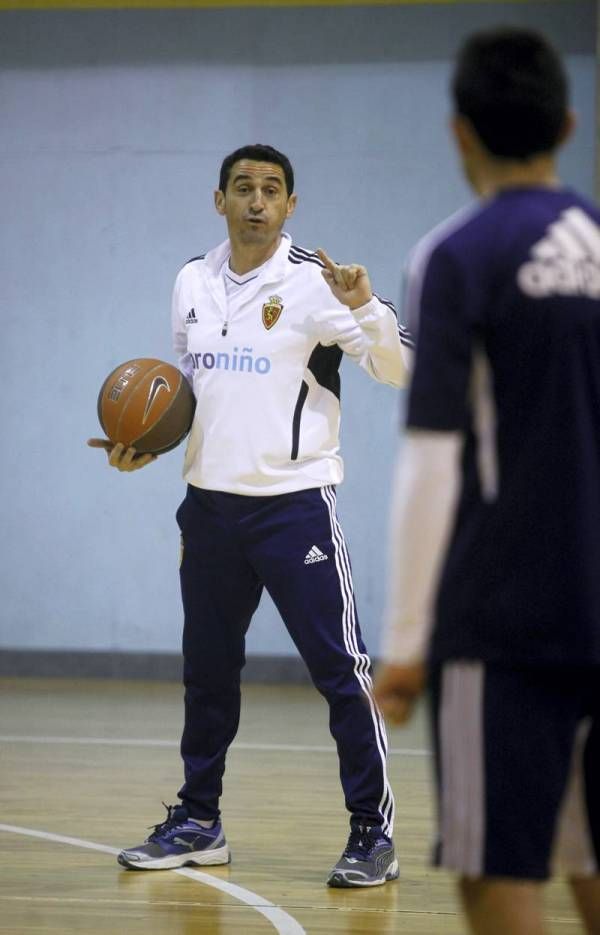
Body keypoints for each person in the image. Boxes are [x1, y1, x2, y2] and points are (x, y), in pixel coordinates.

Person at [89, 143, 412, 887]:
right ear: (220, 200)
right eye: (244, 188)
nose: (257, 200)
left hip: (294, 508)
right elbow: (185, 390)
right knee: (207, 674)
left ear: (291, 205)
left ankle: (372, 831)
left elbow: (402, 369)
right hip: (208, 510)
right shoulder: (191, 281)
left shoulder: (319, 285)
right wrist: (140, 443)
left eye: (271, 189)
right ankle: (199, 819)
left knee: (343, 671)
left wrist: (364, 302)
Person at [374, 26, 600, 935]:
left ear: (459, 133)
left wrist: (404, 642)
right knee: (589, 853)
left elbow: (433, 459)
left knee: (496, 867)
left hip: (504, 621)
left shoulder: (455, 256)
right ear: (570, 124)